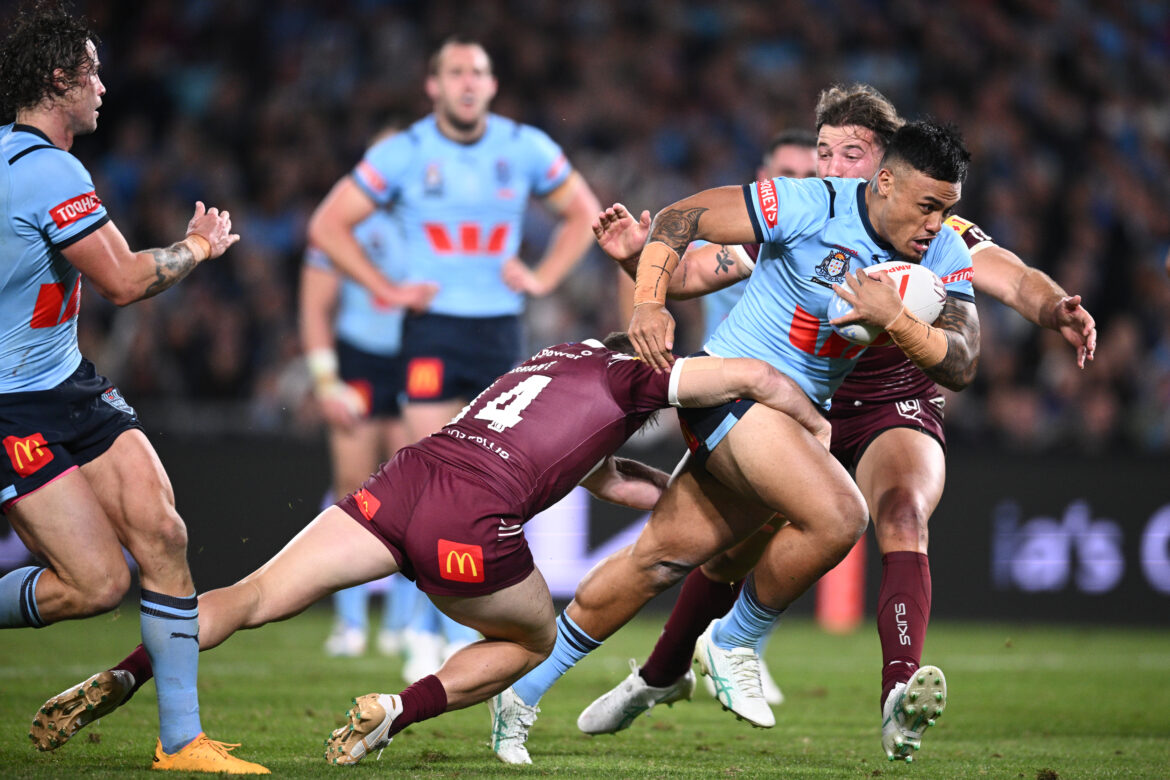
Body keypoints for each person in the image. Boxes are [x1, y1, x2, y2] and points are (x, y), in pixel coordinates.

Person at [578, 84, 1097, 762]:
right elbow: (692, 270)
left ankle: (897, 695)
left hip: (890, 403)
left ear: (887, 165)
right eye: (823, 151)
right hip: (799, 396)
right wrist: (633, 261)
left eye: (848, 152)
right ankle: (661, 673)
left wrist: (1056, 306)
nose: (830, 165)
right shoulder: (801, 217)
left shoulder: (937, 228)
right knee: (730, 547)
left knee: (903, 513)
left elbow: (1015, 279)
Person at [36, 333, 832, 767]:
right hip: (472, 515)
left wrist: (684, 505)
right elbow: (756, 374)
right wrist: (814, 435)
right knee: (533, 638)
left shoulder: (551, 361)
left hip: (412, 474)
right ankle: (395, 712)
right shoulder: (637, 377)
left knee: (249, 596)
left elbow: (611, 478)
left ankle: (129, 671)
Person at [488, 118, 982, 765]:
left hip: (784, 414)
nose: (934, 223)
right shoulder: (809, 203)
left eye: (946, 209)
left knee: (659, 560)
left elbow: (964, 361)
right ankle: (735, 642)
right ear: (883, 182)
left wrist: (899, 322)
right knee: (839, 514)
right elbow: (681, 217)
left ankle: (522, 691)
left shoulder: (941, 251)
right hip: (729, 388)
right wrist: (648, 301)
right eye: (926, 206)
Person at [0, 4, 265, 773]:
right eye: (93, 71)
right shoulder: (48, 168)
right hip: (14, 405)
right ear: (60, 79)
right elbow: (120, 280)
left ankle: (181, 742)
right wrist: (197, 247)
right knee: (94, 584)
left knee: (165, 533)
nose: (105, 88)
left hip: (68, 382)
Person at [307, 35, 601, 448]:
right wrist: (386, 289)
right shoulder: (404, 152)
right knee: (432, 470)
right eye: (456, 73)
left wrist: (544, 278)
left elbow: (586, 213)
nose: (468, 84)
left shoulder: (524, 147)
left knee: (502, 474)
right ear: (433, 86)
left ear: (492, 85)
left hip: (500, 328)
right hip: (432, 328)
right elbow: (327, 225)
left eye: (477, 73)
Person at [300, 142, 476, 676]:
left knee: (416, 494)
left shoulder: (432, 226)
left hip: (414, 357)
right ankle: (350, 621)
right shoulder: (344, 225)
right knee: (352, 486)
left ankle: (407, 622)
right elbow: (315, 306)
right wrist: (326, 382)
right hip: (358, 361)